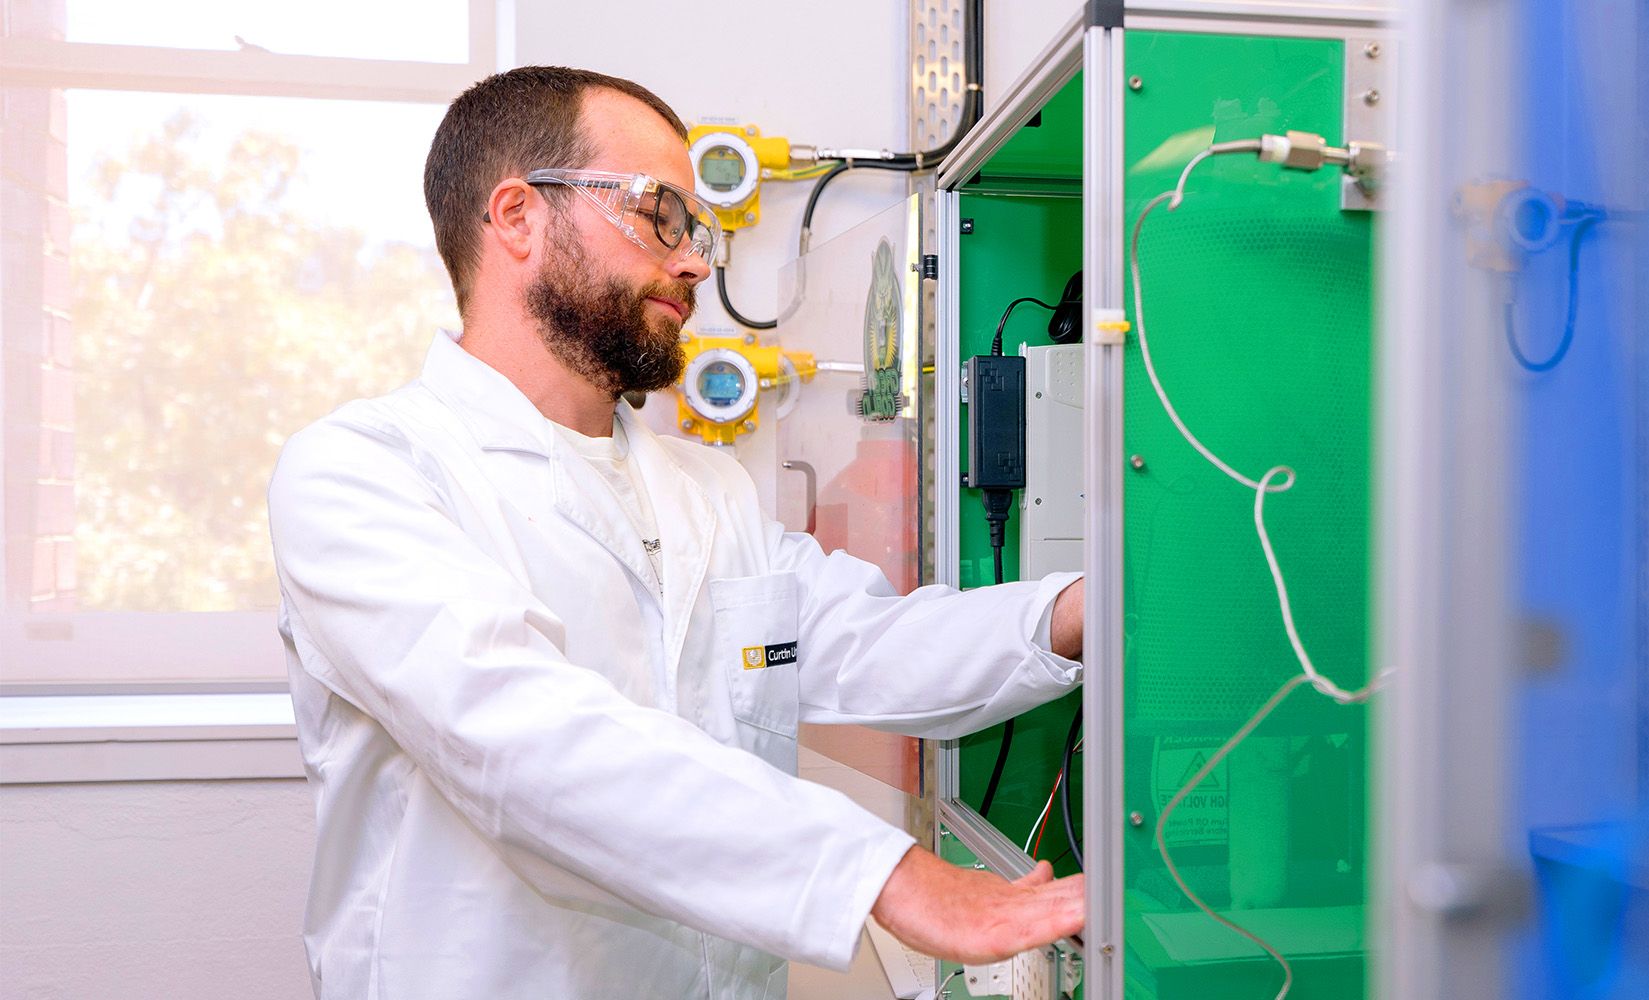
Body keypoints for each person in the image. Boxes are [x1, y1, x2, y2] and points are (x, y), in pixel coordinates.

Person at [267, 65, 1085, 1000]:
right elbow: (529, 742)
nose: (697, 261)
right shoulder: (363, 472)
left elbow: (862, 643)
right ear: (517, 217)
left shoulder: (705, 489)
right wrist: (882, 875)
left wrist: (1076, 612)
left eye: (697, 229)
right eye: (661, 214)